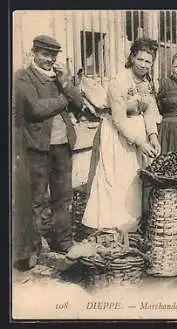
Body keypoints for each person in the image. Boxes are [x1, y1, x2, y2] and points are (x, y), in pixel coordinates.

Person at [13, 35, 84, 257]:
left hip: (62, 146)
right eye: (45, 54)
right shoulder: (23, 77)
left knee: (62, 197)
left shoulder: (58, 78)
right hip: (37, 148)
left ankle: (63, 241)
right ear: (33, 53)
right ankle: (31, 249)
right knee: (37, 199)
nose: (50, 59)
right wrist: (65, 99)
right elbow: (36, 108)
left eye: (53, 55)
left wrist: (64, 84)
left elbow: (79, 102)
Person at [82, 38, 161, 233]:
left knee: (135, 178)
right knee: (118, 178)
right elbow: (119, 119)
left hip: (139, 130)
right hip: (118, 134)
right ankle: (112, 227)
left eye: (148, 62)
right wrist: (139, 141)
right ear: (132, 57)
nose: (143, 65)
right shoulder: (118, 82)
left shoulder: (147, 83)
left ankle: (131, 224)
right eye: (140, 59)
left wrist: (153, 136)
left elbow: (150, 110)